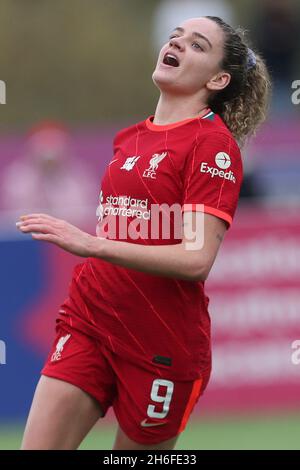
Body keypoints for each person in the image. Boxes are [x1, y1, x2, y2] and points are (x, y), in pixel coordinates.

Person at [17, 16, 271, 450]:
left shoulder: (212, 145)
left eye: (197, 45)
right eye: (176, 37)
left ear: (219, 78)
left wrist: (92, 244)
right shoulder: (130, 139)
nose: (177, 43)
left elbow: (196, 259)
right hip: (90, 321)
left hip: (161, 347)